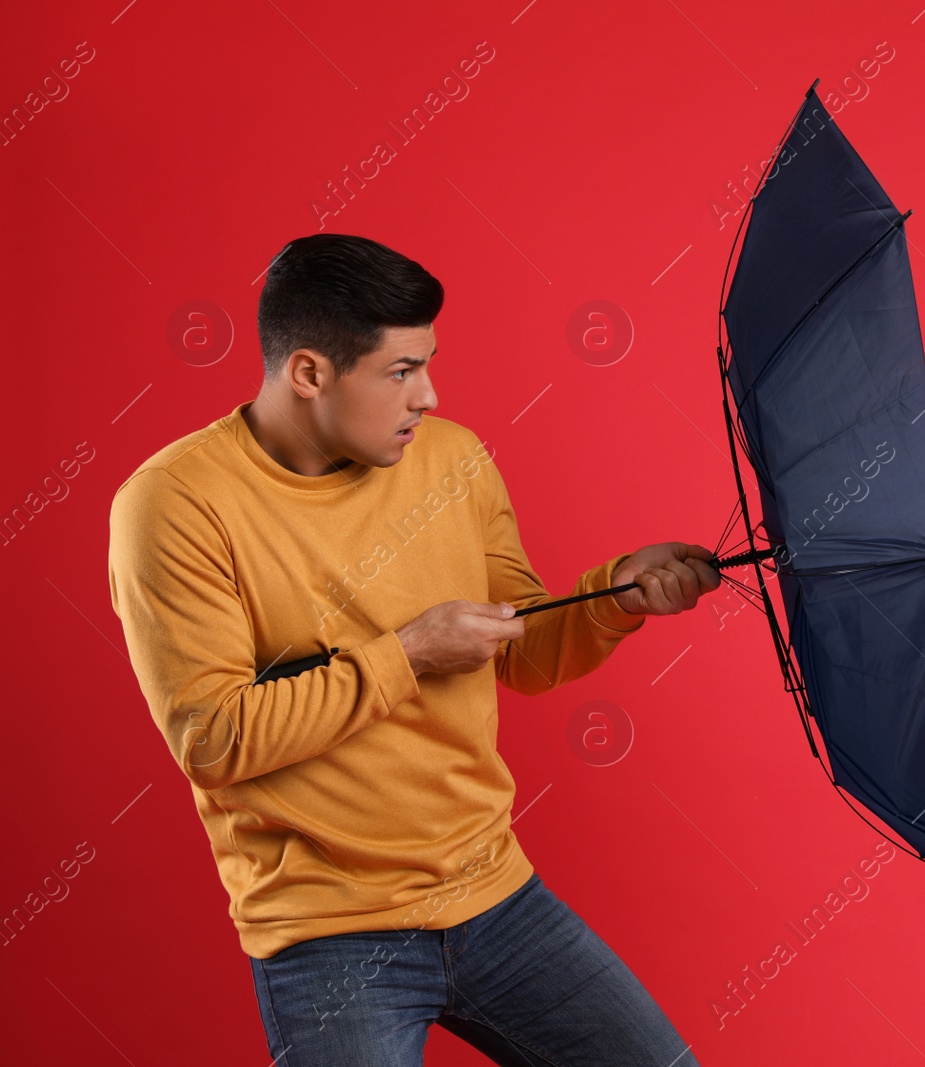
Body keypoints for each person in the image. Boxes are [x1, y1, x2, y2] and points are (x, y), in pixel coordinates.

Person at [107, 233, 714, 1066]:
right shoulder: (175, 506)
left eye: (428, 363)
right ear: (310, 372)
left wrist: (616, 595)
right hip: (328, 932)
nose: (428, 394)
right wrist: (410, 652)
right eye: (400, 372)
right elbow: (214, 737)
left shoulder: (455, 461)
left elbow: (522, 651)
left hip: (497, 895)